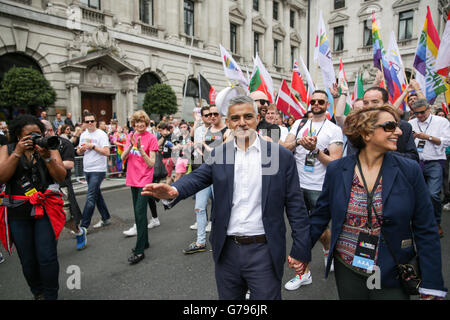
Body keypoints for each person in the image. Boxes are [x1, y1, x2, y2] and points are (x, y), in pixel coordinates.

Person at [142, 95, 311, 300]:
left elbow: (295, 204)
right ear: (229, 123)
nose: (242, 122)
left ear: (257, 119)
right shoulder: (220, 154)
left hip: (264, 251)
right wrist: (174, 190)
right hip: (227, 251)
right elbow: (198, 176)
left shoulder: (278, 155)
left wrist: (301, 248)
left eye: (248, 116)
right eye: (236, 118)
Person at [308, 105, 447, 300]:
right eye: (390, 126)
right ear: (366, 133)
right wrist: (301, 252)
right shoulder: (338, 169)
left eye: (397, 126)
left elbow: (426, 227)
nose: (399, 131)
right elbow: (320, 216)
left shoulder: (409, 170)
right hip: (348, 267)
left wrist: (432, 283)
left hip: (393, 268)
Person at [0, 115, 67, 300]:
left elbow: (61, 176)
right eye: (29, 135)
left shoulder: (49, 147)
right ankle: (38, 292)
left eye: (37, 133)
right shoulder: (8, 149)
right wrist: (17, 153)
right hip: (17, 212)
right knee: (28, 260)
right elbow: (1, 177)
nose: (35, 138)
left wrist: (47, 158)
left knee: (47, 257)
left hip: (45, 210)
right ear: (18, 136)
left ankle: (51, 295)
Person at [283, 90, 344, 290]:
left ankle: (328, 250)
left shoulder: (333, 129)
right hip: (296, 186)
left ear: (327, 105)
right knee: (300, 231)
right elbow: (283, 148)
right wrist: (299, 142)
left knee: (319, 230)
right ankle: (304, 274)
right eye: (313, 101)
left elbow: (335, 163)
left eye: (321, 101)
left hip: (320, 187)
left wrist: (315, 151)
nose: (316, 104)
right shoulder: (299, 124)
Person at [183, 105, 230, 254]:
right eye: (209, 114)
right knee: (199, 207)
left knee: (221, 210)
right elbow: (202, 152)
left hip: (221, 175)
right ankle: (200, 241)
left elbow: (222, 152)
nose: (212, 117)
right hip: (205, 174)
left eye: (215, 114)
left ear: (220, 115)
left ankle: (223, 241)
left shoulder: (228, 131)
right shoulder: (207, 131)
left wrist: (204, 146)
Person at [41, 120, 86, 250]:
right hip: (43, 185)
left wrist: (49, 161)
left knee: (65, 217)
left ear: (52, 130)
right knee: (45, 217)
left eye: (45, 131)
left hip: (62, 184)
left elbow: (70, 164)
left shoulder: (63, 143)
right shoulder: (37, 145)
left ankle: (79, 232)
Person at [120, 111, 158, 264]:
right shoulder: (130, 136)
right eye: (137, 122)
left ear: (146, 123)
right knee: (137, 213)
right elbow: (123, 158)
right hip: (132, 179)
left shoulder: (152, 138)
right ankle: (145, 241)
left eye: (142, 122)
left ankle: (139, 251)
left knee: (140, 212)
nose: (139, 124)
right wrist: (130, 145)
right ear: (133, 124)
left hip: (144, 180)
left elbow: (151, 163)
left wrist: (141, 149)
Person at [408, 99, 450, 238]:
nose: (419, 116)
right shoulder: (411, 123)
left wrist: (428, 137)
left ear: (428, 109)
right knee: (416, 195)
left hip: (435, 162)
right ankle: (419, 223)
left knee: (433, 194)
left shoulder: (441, 122)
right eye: (416, 113)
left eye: (421, 113)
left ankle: (436, 222)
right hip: (415, 163)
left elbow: (447, 141)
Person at [76, 113, 112, 230]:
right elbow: (79, 152)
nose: (90, 123)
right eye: (87, 121)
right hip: (87, 169)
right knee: (96, 195)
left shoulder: (101, 134)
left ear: (95, 122)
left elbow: (107, 152)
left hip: (98, 170)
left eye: (92, 121)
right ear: (84, 123)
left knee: (90, 196)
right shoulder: (83, 134)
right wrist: (80, 150)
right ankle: (105, 218)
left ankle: (83, 226)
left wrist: (93, 146)